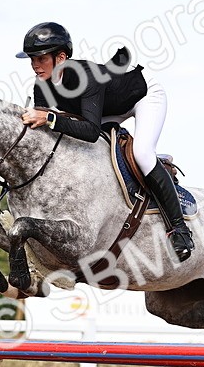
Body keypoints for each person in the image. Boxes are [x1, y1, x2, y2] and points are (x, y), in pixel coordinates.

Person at [16, 21, 193, 262]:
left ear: (61, 57)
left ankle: (179, 229)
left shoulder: (86, 77)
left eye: (41, 58)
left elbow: (90, 131)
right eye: (32, 59)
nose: (35, 65)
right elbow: (46, 131)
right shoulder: (41, 86)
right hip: (104, 111)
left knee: (142, 153)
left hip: (141, 96)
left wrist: (49, 118)